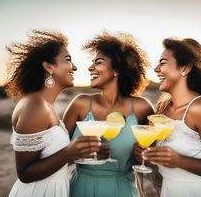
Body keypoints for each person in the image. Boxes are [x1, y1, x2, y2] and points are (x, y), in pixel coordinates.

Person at [6, 30, 101, 197]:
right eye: (68, 60)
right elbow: (25, 173)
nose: (75, 67)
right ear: (49, 67)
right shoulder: (35, 107)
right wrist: (68, 153)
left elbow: (51, 158)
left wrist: (80, 152)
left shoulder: (44, 104)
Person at [136, 38, 201, 197]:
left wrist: (180, 161)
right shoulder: (163, 109)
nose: (156, 69)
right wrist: (144, 153)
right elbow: (157, 162)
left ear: (185, 68)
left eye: (163, 62)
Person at [63, 31, 154, 197]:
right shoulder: (79, 104)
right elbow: (57, 157)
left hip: (124, 190)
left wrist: (143, 155)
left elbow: (152, 162)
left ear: (117, 69)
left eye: (98, 62)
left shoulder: (142, 108)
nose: (90, 67)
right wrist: (82, 152)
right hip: (80, 189)